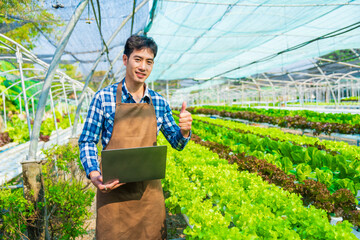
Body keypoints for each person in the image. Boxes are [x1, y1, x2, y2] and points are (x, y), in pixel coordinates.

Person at [78, 35, 192, 240]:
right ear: (125, 60)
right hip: (113, 195)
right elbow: (87, 140)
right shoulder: (103, 98)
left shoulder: (158, 102)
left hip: (149, 196)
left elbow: (176, 143)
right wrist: (94, 174)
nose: (143, 66)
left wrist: (184, 132)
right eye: (137, 59)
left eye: (149, 62)